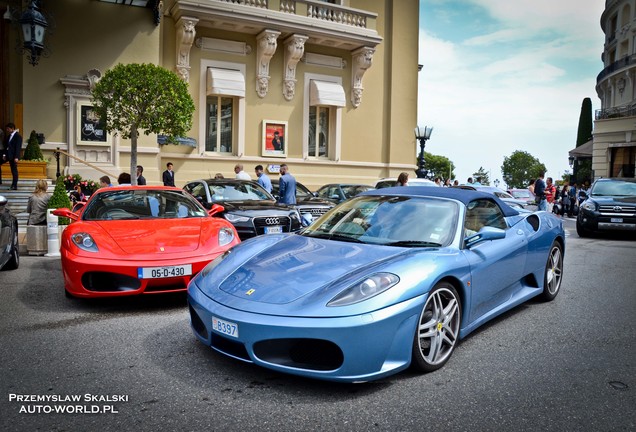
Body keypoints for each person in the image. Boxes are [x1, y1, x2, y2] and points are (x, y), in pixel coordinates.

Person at [3, 123, 22, 190]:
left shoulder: (18, 136)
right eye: (7, 128)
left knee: (14, 170)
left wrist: (16, 157)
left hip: (13, 156)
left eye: (8, 128)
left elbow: (18, 147)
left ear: (12, 128)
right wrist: (4, 155)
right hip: (8, 155)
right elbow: (6, 146)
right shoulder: (8, 136)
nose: (7, 130)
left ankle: (14, 185)